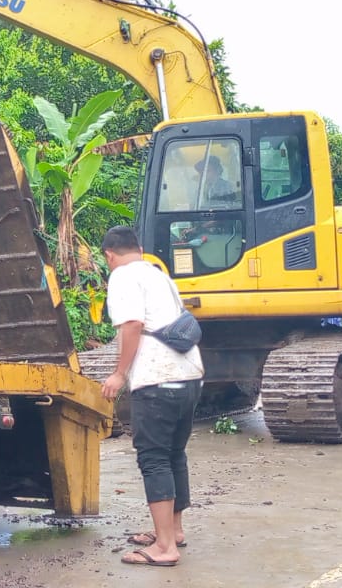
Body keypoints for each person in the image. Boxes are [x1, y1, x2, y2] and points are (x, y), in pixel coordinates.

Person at [99, 225, 204, 568]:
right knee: (174, 453)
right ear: (139, 248)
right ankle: (173, 531)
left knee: (154, 458)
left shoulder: (122, 277)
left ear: (109, 255)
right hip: (189, 375)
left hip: (157, 379)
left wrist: (119, 373)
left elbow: (131, 325)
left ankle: (164, 548)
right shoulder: (158, 274)